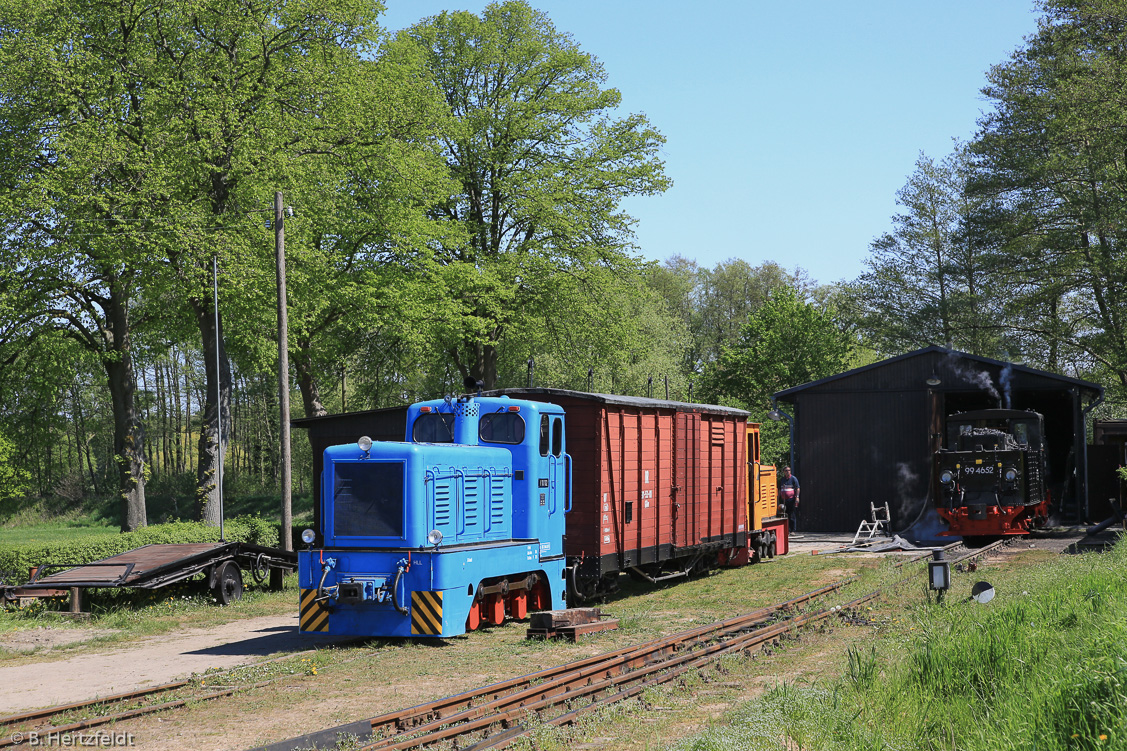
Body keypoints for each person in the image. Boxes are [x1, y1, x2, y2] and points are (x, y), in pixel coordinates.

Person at [779, 466, 800, 533]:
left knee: (791, 515)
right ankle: (787, 530)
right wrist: (778, 498)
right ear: (784, 472)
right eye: (786, 470)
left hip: (791, 500)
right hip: (783, 500)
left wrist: (797, 497)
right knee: (784, 514)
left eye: (789, 470)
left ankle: (793, 530)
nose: (787, 471)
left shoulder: (793, 479)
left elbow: (797, 488)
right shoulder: (782, 479)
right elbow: (779, 489)